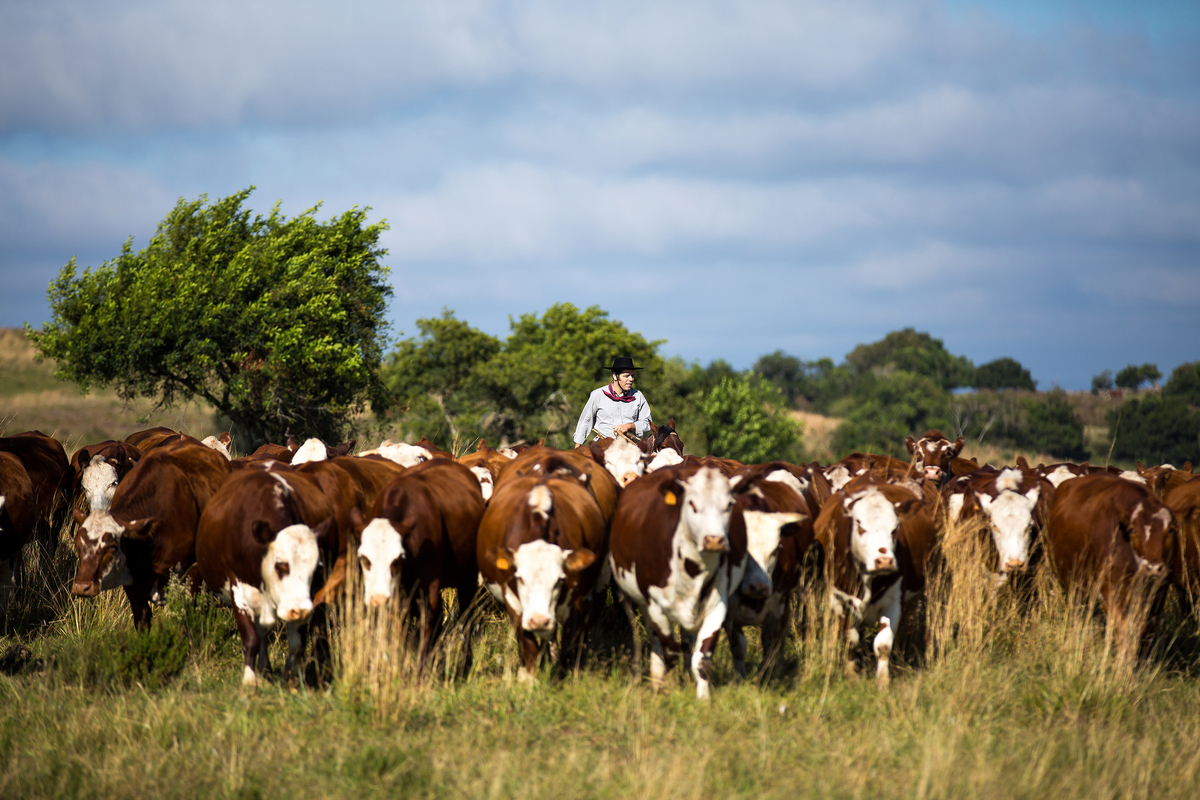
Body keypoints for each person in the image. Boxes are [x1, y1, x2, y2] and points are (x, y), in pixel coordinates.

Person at [572, 357, 653, 446]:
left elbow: (647, 424)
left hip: (629, 447)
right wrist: (577, 447)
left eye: (632, 376)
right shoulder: (597, 395)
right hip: (602, 446)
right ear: (615, 376)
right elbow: (585, 421)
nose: (631, 379)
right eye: (626, 376)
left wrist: (630, 426)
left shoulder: (638, 396)